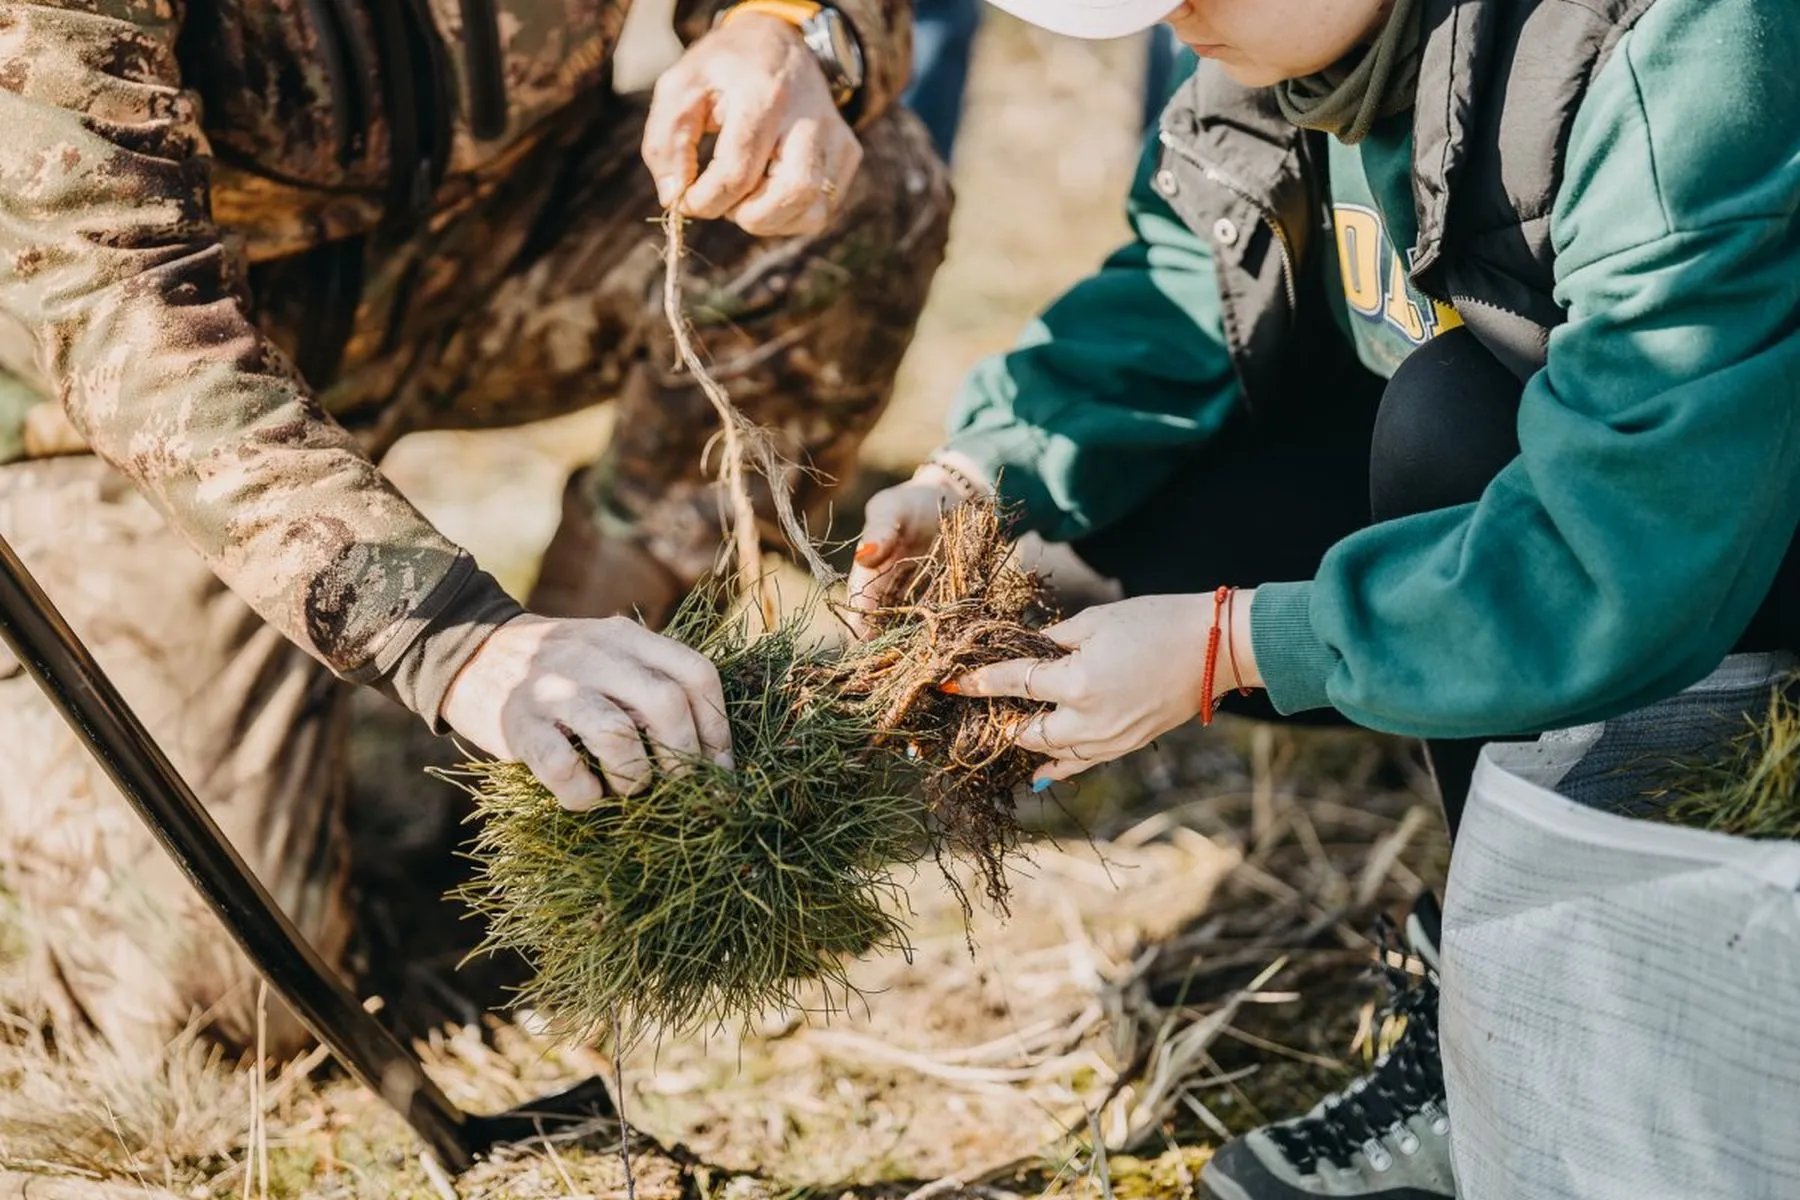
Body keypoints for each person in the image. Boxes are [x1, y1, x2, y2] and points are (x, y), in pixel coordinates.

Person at [848, 0, 1800, 1197]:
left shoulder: (1672, 44)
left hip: (1700, 509)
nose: (1171, 16)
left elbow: (1629, 535)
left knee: (1450, 420)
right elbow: (1196, 266)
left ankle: (1517, 1017)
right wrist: (984, 474)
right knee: (1052, 561)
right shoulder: (1289, 46)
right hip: (1582, 484)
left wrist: (1234, 643)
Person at [0, 0, 949, 1063]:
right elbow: (107, 291)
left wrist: (783, 29)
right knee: (230, 1013)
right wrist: (444, 636)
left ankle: (598, 756)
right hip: (127, 389)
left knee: (868, 193)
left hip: (471, 257)